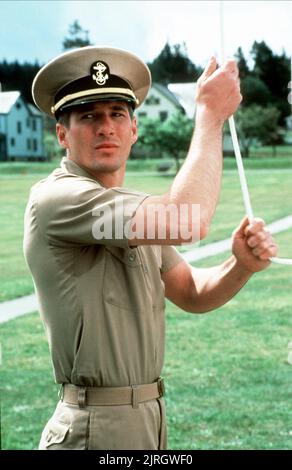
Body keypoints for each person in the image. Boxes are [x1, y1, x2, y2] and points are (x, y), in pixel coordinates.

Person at [23, 46, 277, 450]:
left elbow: (191, 291)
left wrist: (240, 265)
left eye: (116, 114)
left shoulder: (131, 209)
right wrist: (209, 116)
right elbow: (186, 220)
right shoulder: (58, 198)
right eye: (88, 116)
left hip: (149, 417)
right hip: (94, 427)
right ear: (61, 135)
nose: (105, 127)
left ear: (134, 129)